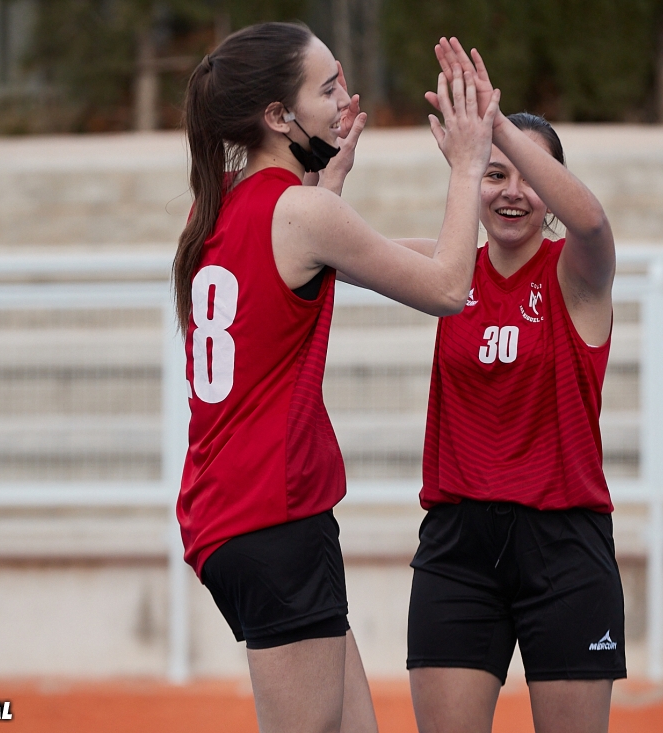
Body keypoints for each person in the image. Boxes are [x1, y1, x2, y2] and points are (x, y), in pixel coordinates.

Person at [172, 22, 500, 733]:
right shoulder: (303, 212)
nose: (346, 100)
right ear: (277, 117)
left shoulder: (217, 203)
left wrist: (330, 180)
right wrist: (469, 165)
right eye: (328, 88)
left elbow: (363, 253)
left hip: (239, 515)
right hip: (273, 515)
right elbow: (446, 285)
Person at [404, 39, 623, 733]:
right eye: (493, 175)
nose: (512, 191)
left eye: (528, 175)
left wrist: (495, 127)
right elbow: (344, 251)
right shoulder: (449, 273)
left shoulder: (576, 274)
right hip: (458, 546)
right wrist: (325, 173)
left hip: (563, 545)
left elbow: (590, 218)